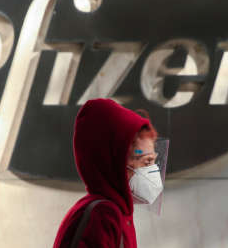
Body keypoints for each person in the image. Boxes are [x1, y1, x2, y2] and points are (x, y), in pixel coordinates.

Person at [52, 98, 162, 248]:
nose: (153, 170)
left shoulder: (118, 214)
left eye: (153, 161)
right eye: (147, 162)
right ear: (116, 163)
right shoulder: (102, 215)